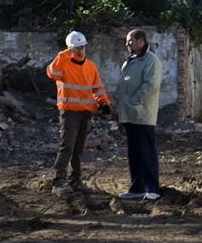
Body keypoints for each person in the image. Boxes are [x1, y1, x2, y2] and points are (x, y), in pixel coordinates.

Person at [45, 30, 111, 192]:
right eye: (77, 48)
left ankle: (75, 180)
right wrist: (64, 54)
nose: (81, 51)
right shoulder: (63, 64)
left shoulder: (90, 66)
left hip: (85, 113)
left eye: (82, 47)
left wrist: (104, 103)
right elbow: (52, 73)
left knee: (78, 149)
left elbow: (97, 88)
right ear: (70, 49)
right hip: (69, 113)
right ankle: (58, 182)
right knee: (67, 146)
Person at [115, 28, 163, 201]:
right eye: (127, 41)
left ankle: (152, 188)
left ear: (141, 41)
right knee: (134, 153)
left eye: (130, 41)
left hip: (142, 115)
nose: (127, 44)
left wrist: (135, 100)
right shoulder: (129, 61)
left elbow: (151, 85)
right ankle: (137, 188)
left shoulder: (151, 60)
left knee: (146, 152)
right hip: (129, 115)